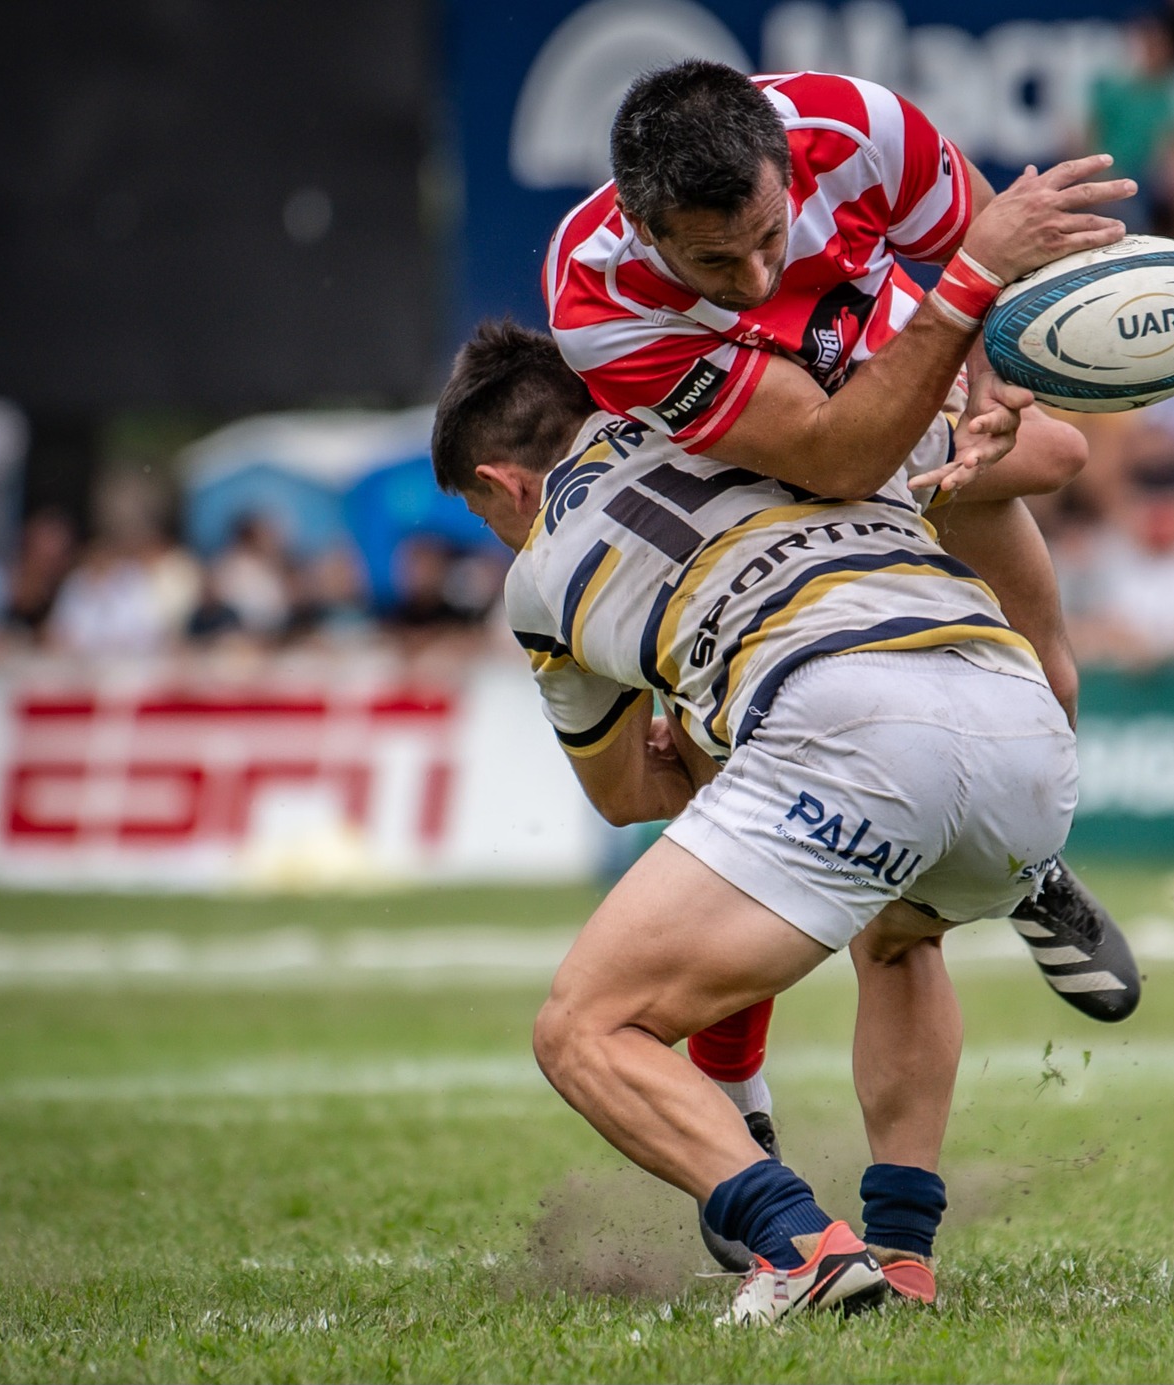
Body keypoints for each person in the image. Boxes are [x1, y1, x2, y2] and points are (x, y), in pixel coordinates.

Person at [544, 60, 1143, 1260]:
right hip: (769, 463)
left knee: (1051, 513)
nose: (755, 277)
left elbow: (995, 292)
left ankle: (1028, 874)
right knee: (750, 788)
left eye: (769, 238)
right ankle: (745, 1100)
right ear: (643, 225)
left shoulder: (855, 126)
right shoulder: (597, 296)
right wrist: (969, 287)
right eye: (715, 265)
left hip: (896, 387)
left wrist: (986, 388)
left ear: (792, 166)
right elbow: (828, 456)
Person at [433, 322, 1077, 1322]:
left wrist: (676, 738)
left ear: (505, 485)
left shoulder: (537, 574)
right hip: (1026, 726)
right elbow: (1054, 452)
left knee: (583, 1026)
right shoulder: (768, 407)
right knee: (898, 928)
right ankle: (900, 1250)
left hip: (847, 728)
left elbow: (624, 798)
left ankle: (792, 1239)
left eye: (487, 516)